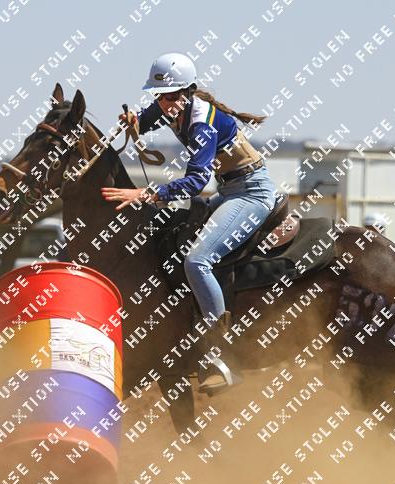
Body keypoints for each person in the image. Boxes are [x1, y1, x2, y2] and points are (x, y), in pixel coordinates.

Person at [102, 52, 276, 394]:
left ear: (187, 93)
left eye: (169, 96)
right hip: (230, 191)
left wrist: (145, 194)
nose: (163, 103)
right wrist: (133, 119)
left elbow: (196, 181)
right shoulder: (172, 106)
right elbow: (146, 119)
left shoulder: (200, 123)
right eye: (159, 96)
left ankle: (221, 357)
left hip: (251, 194)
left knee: (197, 261)